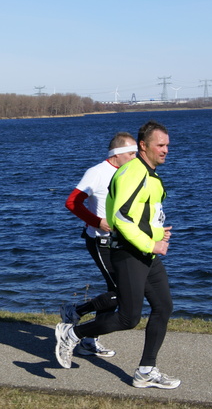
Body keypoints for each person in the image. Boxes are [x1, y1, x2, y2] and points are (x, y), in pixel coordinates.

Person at [55, 120, 181, 390]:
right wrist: (151, 245)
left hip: (145, 252)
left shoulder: (149, 174)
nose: (166, 150)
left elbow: (144, 215)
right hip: (127, 252)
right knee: (128, 317)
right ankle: (72, 332)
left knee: (163, 306)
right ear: (144, 146)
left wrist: (159, 235)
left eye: (168, 145)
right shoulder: (132, 173)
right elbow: (122, 218)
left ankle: (146, 371)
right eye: (161, 145)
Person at [60, 132, 138, 358]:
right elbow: (72, 202)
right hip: (100, 241)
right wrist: (97, 222)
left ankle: (85, 332)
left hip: (124, 243)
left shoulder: (128, 172)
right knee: (121, 292)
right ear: (117, 154)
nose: (136, 157)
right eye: (131, 153)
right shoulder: (97, 173)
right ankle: (78, 319)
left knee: (118, 291)